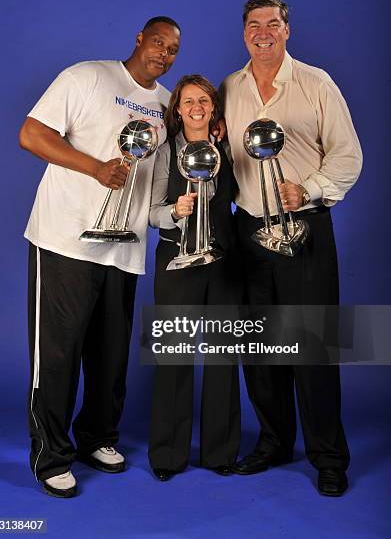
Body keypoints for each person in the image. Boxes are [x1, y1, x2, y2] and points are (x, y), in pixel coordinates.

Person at [18, 16, 183, 498]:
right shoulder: (87, 76)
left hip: (124, 247)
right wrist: (95, 168)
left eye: (173, 50)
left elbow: (155, 187)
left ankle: (98, 437)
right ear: (139, 39)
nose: (164, 54)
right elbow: (31, 134)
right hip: (65, 238)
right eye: (158, 42)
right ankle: (50, 455)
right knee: (59, 352)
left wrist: (176, 212)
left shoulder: (167, 107)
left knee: (110, 355)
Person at [220, 0, 362, 496]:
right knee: (258, 348)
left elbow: (347, 155)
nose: (263, 32)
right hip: (248, 232)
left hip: (304, 231)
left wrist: (311, 188)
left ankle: (328, 455)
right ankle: (274, 442)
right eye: (254, 25)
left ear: (287, 31)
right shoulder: (230, 89)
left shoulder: (315, 83)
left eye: (273, 24)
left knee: (314, 347)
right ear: (244, 33)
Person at [148, 75, 241, 481]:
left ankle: (221, 451)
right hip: (177, 260)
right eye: (189, 101)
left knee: (223, 356)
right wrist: (174, 212)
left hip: (223, 261)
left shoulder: (228, 146)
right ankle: (168, 455)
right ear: (178, 108)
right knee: (173, 356)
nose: (197, 107)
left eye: (204, 100)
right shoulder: (166, 152)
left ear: (213, 107)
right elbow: (150, 212)